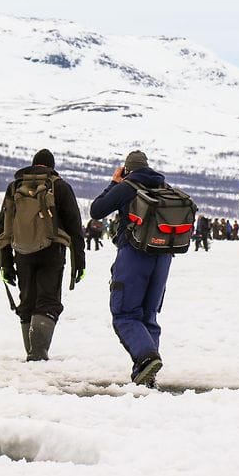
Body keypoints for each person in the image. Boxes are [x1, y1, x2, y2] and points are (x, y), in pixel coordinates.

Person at [90, 150, 175, 387]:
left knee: (125, 313)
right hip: (163, 257)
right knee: (148, 314)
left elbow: (97, 211)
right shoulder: (164, 187)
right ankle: (145, 373)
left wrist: (113, 183)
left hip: (135, 254)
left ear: (128, 170)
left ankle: (146, 358)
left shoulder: (128, 186)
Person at [0, 149, 86, 362]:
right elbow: (75, 227)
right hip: (52, 251)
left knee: (27, 300)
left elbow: (4, 226)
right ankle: (37, 353)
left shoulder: (15, 187)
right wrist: (79, 263)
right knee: (47, 300)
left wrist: (5, 264)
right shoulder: (60, 186)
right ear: (52, 166)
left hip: (21, 250)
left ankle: (32, 352)